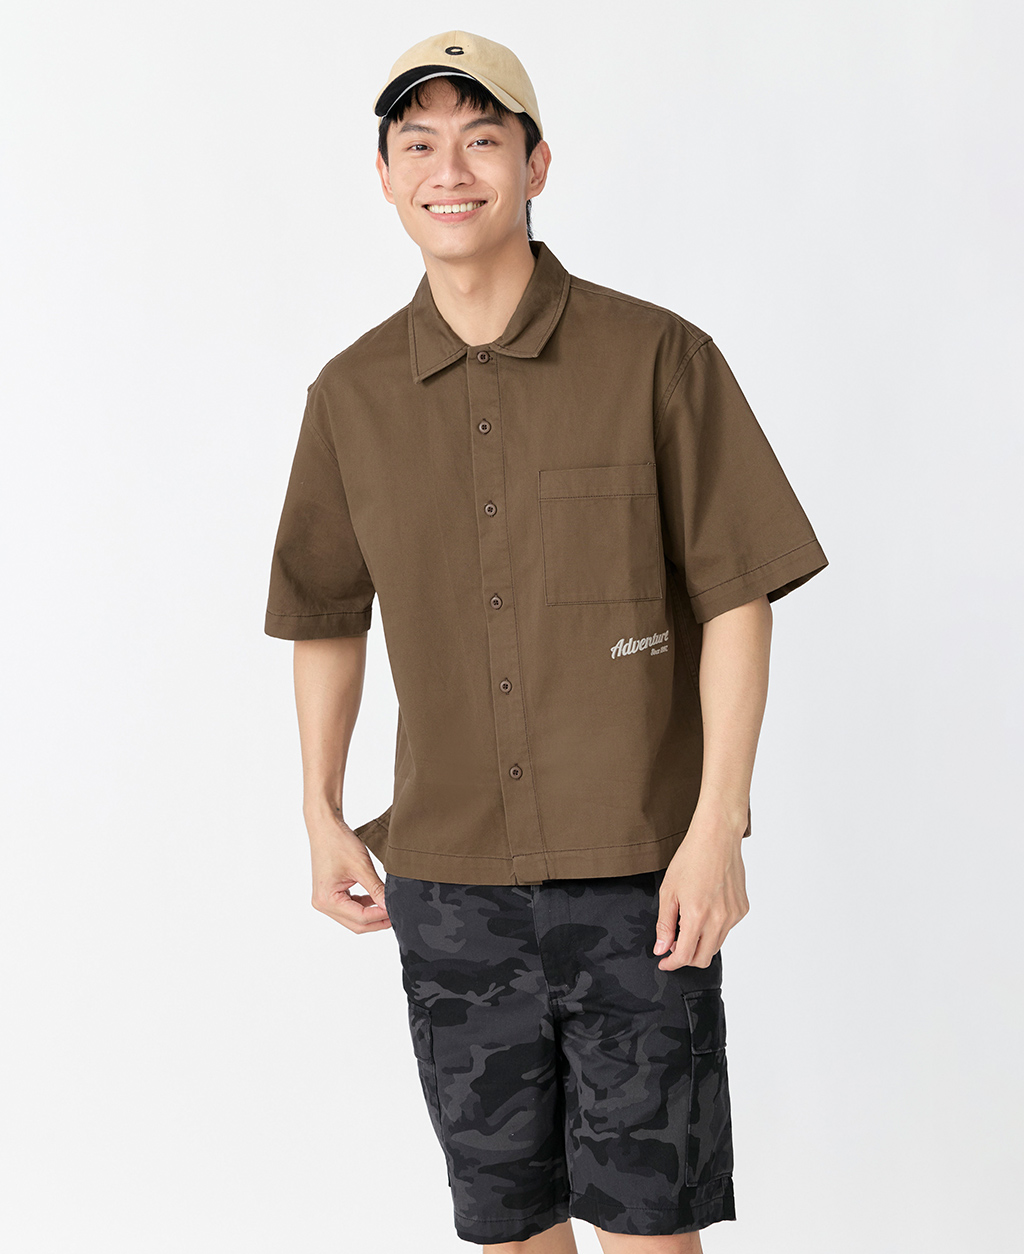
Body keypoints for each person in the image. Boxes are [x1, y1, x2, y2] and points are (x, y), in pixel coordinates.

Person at [263, 29, 828, 1254]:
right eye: (419, 144)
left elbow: (737, 598)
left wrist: (717, 827)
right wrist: (320, 810)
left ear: (536, 164)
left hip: (639, 882)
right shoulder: (350, 397)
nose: (449, 170)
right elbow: (324, 614)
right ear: (384, 177)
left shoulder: (657, 358)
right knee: (510, 1233)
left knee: (649, 1231)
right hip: (449, 890)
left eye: (482, 139)